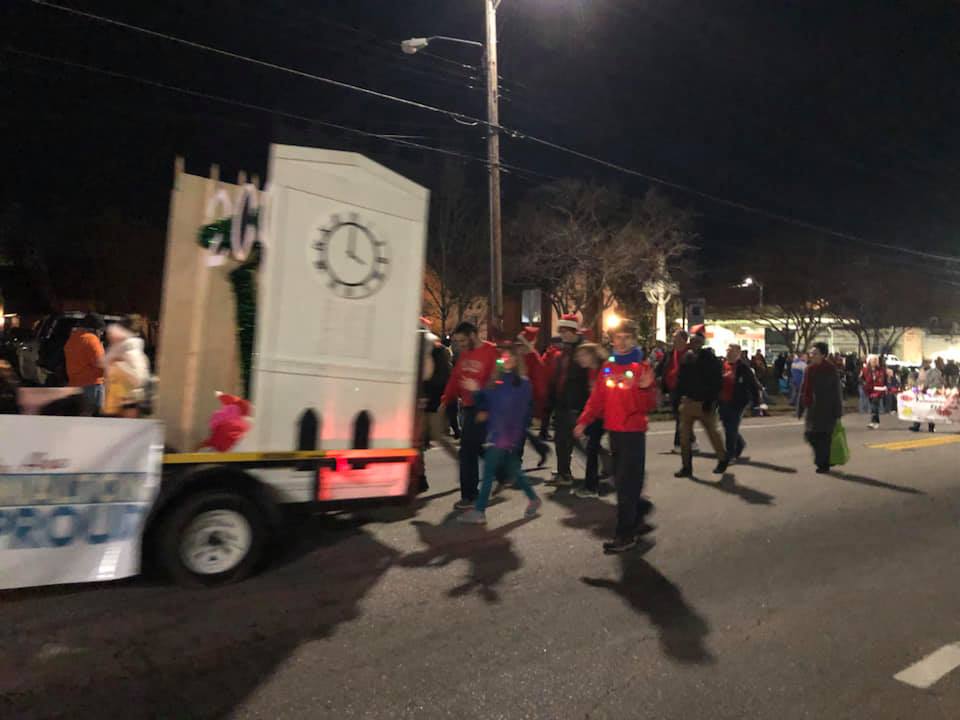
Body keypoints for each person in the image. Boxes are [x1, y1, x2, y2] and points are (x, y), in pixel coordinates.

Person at [574, 319, 657, 553]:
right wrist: (584, 420)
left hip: (633, 433)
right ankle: (635, 519)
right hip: (615, 432)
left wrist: (644, 388)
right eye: (617, 338)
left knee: (626, 485)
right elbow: (597, 399)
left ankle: (625, 534)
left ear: (634, 339)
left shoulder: (642, 368)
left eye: (626, 338)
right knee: (622, 482)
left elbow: (649, 404)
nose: (621, 342)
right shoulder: (608, 366)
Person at [459, 346, 542, 524]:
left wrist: (479, 393)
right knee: (513, 470)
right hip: (497, 432)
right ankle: (534, 499)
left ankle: (480, 511)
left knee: (489, 471)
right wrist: (476, 391)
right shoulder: (497, 380)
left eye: (510, 358)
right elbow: (486, 400)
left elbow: (516, 410)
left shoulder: (522, 383)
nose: (506, 361)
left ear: (516, 361)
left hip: (506, 434)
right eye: (503, 358)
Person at [440, 321, 500, 509]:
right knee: (476, 448)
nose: (460, 345)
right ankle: (504, 471)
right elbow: (456, 378)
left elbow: (498, 381)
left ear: (474, 335)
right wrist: (446, 399)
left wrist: (483, 402)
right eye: (457, 341)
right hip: (468, 407)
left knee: (467, 450)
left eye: (463, 340)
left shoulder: (493, 352)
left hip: (485, 407)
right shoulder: (464, 354)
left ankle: (470, 496)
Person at [674, 326, 728, 477]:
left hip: (704, 402)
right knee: (684, 437)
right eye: (693, 341)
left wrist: (711, 400)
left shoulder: (710, 359)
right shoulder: (687, 358)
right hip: (689, 402)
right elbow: (681, 380)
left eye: (697, 342)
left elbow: (717, 382)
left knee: (713, 434)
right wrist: (678, 398)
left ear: (702, 343)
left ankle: (723, 458)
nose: (694, 344)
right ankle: (686, 467)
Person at [548, 315, 591, 487]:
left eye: (565, 331)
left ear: (573, 330)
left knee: (577, 441)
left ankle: (605, 468)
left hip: (576, 403)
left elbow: (588, 377)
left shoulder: (583, 350)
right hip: (562, 402)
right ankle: (563, 472)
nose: (562, 334)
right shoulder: (564, 351)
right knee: (561, 440)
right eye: (561, 331)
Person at [572, 342, 609, 497]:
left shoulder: (605, 369)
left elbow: (602, 396)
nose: (579, 359)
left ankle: (591, 486)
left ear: (592, 355)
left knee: (592, 448)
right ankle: (606, 468)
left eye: (583, 355)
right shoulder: (588, 371)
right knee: (590, 447)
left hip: (605, 415)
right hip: (595, 414)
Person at [799, 342, 842, 473]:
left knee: (824, 437)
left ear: (823, 355)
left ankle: (823, 464)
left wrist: (837, 411)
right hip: (812, 408)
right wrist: (800, 408)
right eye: (811, 353)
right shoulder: (809, 369)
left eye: (815, 353)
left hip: (827, 409)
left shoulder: (830, 369)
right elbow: (804, 389)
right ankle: (824, 460)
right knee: (810, 435)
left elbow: (836, 391)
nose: (812, 356)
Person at [718, 344, 761, 464]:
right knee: (727, 427)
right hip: (723, 401)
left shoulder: (743, 368)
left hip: (737, 402)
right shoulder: (723, 365)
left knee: (730, 429)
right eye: (727, 350)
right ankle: (740, 444)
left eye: (731, 351)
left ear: (738, 353)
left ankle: (730, 455)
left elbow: (753, 386)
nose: (728, 352)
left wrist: (756, 403)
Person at [656, 329, 697, 454]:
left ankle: (679, 444)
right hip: (672, 389)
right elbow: (661, 368)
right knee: (681, 418)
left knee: (681, 418)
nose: (674, 341)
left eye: (677, 338)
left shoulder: (691, 354)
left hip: (685, 390)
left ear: (684, 340)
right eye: (674, 338)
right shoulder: (670, 354)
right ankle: (693, 442)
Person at [101, 322, 151, 417]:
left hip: (127, 396)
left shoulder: (127, 353)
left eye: (112, 335)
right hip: (119, 397)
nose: (109, 337)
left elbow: (136, 379)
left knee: (127, 422)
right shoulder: (118, 351)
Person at [64, 313, 106, 412]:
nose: (102, 334)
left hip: (74, 385)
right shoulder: (92, 340)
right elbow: (101, 365)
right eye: (101, 331)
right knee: (94, 422)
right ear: (96, 329)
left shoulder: (72, 339)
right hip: (92, 387)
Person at [910, 358, 943, 433]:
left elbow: (934, 382)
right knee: (919, 409)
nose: (924, 364)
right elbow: (919, 381)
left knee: (930, 410)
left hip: (929, 392)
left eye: (925, 363)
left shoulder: (933, 372)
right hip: (921, 392)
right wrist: (916, 387)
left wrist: (926, 387)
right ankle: (916, 425)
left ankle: (930, 427)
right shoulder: (922, 371)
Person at [861, 354, 886, 429]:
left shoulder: (881, 370)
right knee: (873, 406)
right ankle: (876, 422)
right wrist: (864, 383)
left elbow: (884, 379)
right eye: (873, 360)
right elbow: (861, 378)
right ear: (869, 361)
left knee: (874, 405)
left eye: (876, 360)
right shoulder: (865, 369)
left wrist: (885, 386)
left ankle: (874, 422)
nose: (875, 362)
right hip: (869, 390)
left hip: (878, 390)